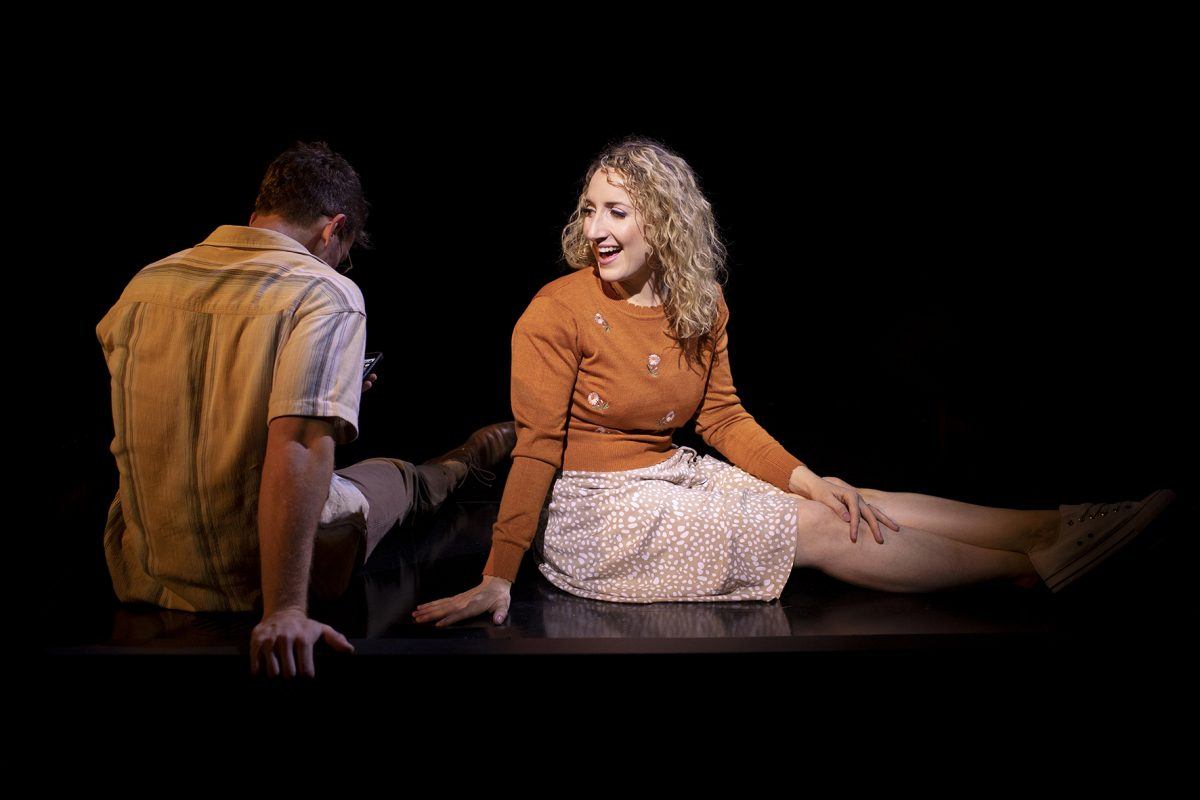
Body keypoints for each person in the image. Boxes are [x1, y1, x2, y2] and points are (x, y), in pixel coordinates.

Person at [410, 137, 1175, 628]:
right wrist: (497, 576)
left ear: (663, 222)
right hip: (598, 516)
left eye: (618, 211)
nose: (597, 229)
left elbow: (724, 418)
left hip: (673, 477)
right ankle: (1037, 571)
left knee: (845, 498)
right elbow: (538, 449)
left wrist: (809, 475)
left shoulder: (700, 306)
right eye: (590, 211)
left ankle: (1058, 525)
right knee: (818, 529)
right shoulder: (556, 310)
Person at [96, 141, 515, 678]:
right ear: (332, 229)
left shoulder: (144, 285)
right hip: (255, 581)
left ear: (257, 217)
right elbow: (295, 445)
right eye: (345, 249)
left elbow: (185, 406)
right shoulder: (325, 293)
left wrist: (335, 389)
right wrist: (285, 610)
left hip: (148, 573)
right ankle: (468, 461)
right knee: (400, 480)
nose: (341, 262)